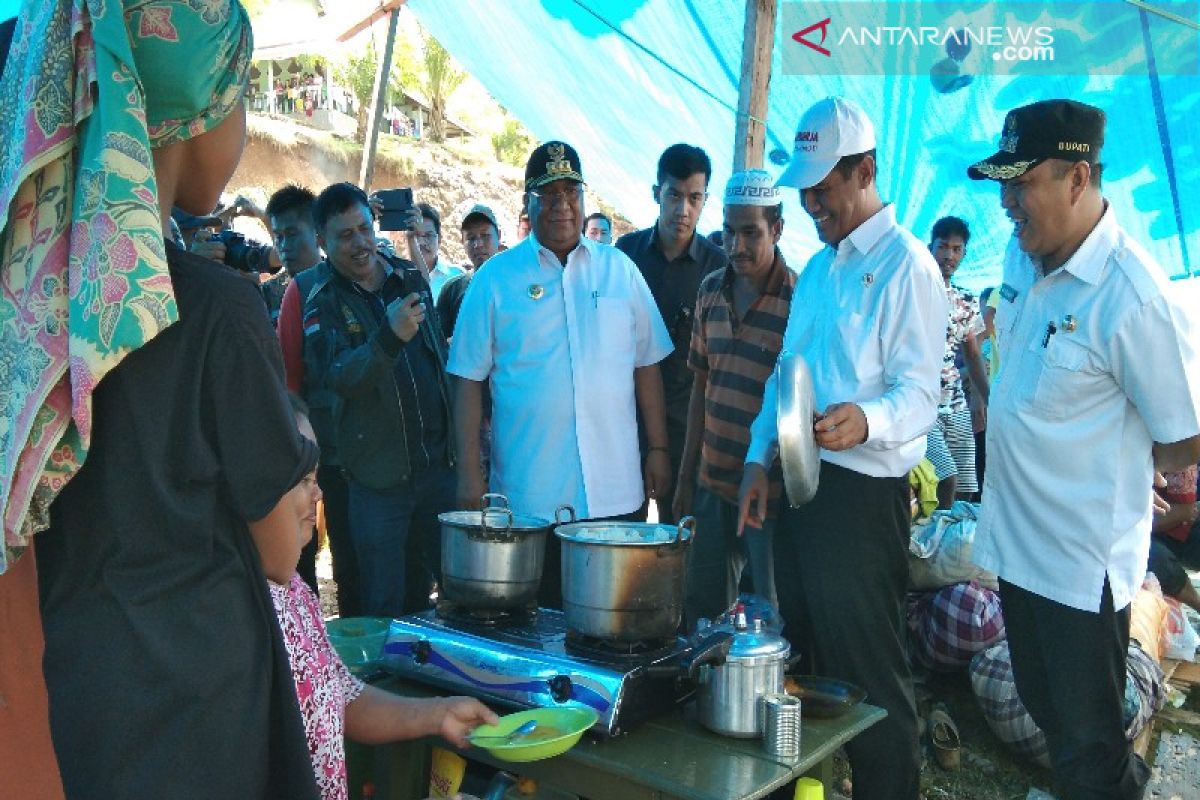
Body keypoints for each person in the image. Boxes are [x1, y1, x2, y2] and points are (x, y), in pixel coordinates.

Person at [2, 2, 323, 796]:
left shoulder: (35, 308)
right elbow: (282, 554)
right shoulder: (217, 308)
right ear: (186, 113)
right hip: (205, 709)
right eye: (239, 94)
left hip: (87, 695)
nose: (243, 125)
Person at [968, 99, 1200, 799]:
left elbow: (1186, 432)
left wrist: (1124, 465)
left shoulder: (1132, 298)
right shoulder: (1022, 251)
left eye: (1021, 183)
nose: (1006, 202)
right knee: (1053, 716)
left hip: (1078, 565)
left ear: (1077, 177)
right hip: (1017, 543)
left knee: (1088, 740)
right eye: (1002, 184)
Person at [738, 96, 946, 800]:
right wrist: (757, 459)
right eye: (805, 193)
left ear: (864, 170)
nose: (811, 206)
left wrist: (867, 418)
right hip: (802, 486)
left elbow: (922, 394)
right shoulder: (821, 271)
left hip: (861, 499)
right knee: (803, 659)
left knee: (870, 671)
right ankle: (813, 787)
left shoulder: (907, 267)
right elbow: (787, 375)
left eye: (822, 191)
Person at [449, 141, 673, 608]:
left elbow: (647, 365)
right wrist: (470, 474)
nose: (562, 206)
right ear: (527, 204)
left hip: (616, 492)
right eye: (548, 194)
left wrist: (658, 448)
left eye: (571, 192)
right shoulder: (494, 279)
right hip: (531, 499)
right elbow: (466, 379)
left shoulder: (620, 271)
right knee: (540, 625)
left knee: (615, 624)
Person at [274, 396, 496, 800]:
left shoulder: (296, 595)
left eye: (317, 475)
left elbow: (344, 698)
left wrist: (438, 713)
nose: (320, 493)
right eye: (302, 479)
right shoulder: (229, 617)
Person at [303, 182, 456, 619]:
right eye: (345, 235)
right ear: (323, 242)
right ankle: (389, 686)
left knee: (454, 595)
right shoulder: (322, 301)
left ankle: (452, 685)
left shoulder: (407, 276)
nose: (360, 243)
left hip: (436, 470)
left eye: (364, 228)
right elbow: (338, 377)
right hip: (376, 482)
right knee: (382, 604)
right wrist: (387, 338)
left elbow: (439, 361)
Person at [673, 171, 795, 626]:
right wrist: (686, 478)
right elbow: (700, 391)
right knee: (703, 615)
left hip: (770, 496)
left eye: (751, 233)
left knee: (770, 617)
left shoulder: (799, 300)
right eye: (729, 231)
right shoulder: (709, 292)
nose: (737, 245)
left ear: (777, 229)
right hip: (712, 485)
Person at [616, 144, 728, 523]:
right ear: (656, 194)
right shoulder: (625, 255)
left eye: (694, 198)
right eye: (674, 196)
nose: (683, 210)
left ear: (705, 200)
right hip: (626, 421)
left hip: (688, 425)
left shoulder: (719, 267)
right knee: (622, 531)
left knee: (682, 536)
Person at [925, 216, 989, 508]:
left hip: (957, 405)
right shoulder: (912, 290)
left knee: (965, 485)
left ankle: (949, 544)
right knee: (945, 479)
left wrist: (988, 399)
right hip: (921, 405)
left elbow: (974, 355)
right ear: (930, 247)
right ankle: (930, 542)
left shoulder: (966, 301)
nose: (948, 255)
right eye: (943, 247)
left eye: (956, 249)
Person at [437, 203, 501, 340]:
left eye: (485, 235)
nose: (478, 244)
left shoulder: (518, 281)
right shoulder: (452, 290)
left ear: (498, 236)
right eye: (471, 238)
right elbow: (439, 345)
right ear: (462, 242)